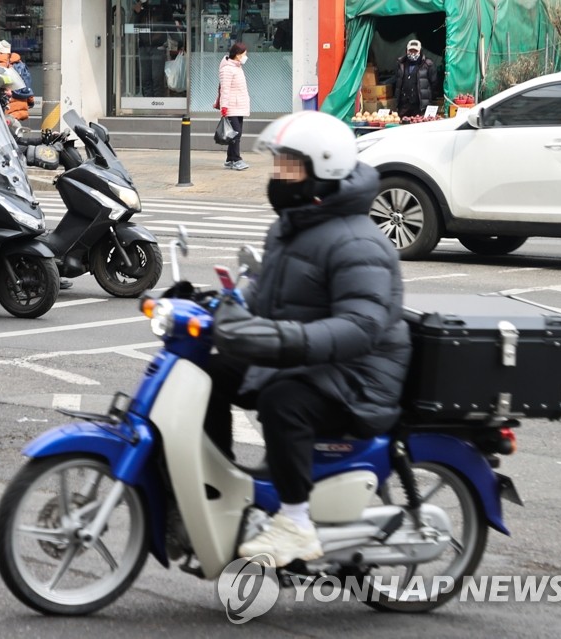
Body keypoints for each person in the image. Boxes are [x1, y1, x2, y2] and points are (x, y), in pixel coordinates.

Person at [201, 110, 411, 568]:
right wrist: (220, 304)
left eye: (289, 167)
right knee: (205, 372)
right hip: (312, 358)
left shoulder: (358, 241)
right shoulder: (293, 226)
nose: (278, 176)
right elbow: (266, 295)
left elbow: (361, 326)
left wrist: (284, 339)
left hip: (359, 376)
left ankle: (295, 523)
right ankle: (214, 489)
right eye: (276, 165)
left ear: (325, 168)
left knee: (283, 401)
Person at [0, 65, 73, 290]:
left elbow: (14, 141)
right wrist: (29, 153)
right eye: (4, 89)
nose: (9, 93)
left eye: (9, 88)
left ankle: (33, 265)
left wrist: (44, 140)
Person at [219, 42, 250, 171]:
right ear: (237, 55)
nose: (245, 56)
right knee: (236, 134)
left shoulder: (237, 67)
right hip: (231, 106)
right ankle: (236, 159)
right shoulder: (227, 69)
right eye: (244, 54)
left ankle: (230, 159)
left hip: (239, 105)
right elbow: (225, 89)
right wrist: (224, 107)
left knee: (235, 133)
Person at [130, 0, 172, 97]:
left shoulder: (163, 5)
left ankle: (158, 105)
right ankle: (148, 105)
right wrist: (136, 13)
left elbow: (171, 25)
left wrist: (179, 42)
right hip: (144, 47)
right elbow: (131, 27)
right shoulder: (141, 7)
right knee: (146, 79)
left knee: (157, 78)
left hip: (158, 47)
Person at [394, 39, 440, 118]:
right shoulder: (401, 63)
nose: (412, 53)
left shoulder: (428, 64)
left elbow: (434, 84)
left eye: (415, 51)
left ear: (420, 51)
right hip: (404, 105)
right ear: (406, 51)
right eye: (410, 51)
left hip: (420, 106)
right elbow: (397, 82)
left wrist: (427, 98)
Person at [0, 40, 35, 122]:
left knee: (4, 129)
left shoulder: (0, 65)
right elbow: (26, 83)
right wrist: (30, 100)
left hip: (8, 104)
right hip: (21, 103)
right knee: (14, 129)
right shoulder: (20, 64)